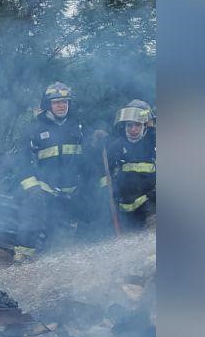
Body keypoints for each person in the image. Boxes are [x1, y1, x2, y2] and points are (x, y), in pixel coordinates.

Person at [16, 81, 86, 251]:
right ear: (48, 105)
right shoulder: (35, 130)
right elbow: (22, 160)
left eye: (64, 102)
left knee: (68, 238)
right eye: (56, 102)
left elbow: (90, 160)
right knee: (33, 212)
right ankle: (24, 252)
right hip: (46, 192)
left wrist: (98, 140)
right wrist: (33, 188)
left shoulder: (79, 127)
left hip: (74, 191)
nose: (61, 106)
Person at [101, 99, 157, 230]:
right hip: (124, 207)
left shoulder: (154, 143)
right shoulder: (116, 147)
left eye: (137, 125)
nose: (133, 129)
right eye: (129, 125)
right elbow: (106, 175)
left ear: (145, 125)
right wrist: (108, 194)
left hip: (151, 204)